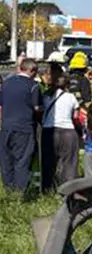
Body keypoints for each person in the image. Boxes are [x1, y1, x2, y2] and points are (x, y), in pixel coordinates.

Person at [0, 57, 42, 195]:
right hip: (24, 128)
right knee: (22, 161)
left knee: (6, 161)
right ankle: (19, 193)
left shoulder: (6, 83)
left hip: (5, 127)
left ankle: (8, 189)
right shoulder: (33, 86)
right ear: (32, 70)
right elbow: (36, 108)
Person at [43, 72, 81, 190]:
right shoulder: (71, 97)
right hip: (68, 132)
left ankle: (48, 189)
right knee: (69, 163)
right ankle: (69, 190)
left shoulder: (46, 96)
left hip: (49, 132)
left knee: (48, 162)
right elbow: (76, 117)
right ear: (67, 85)